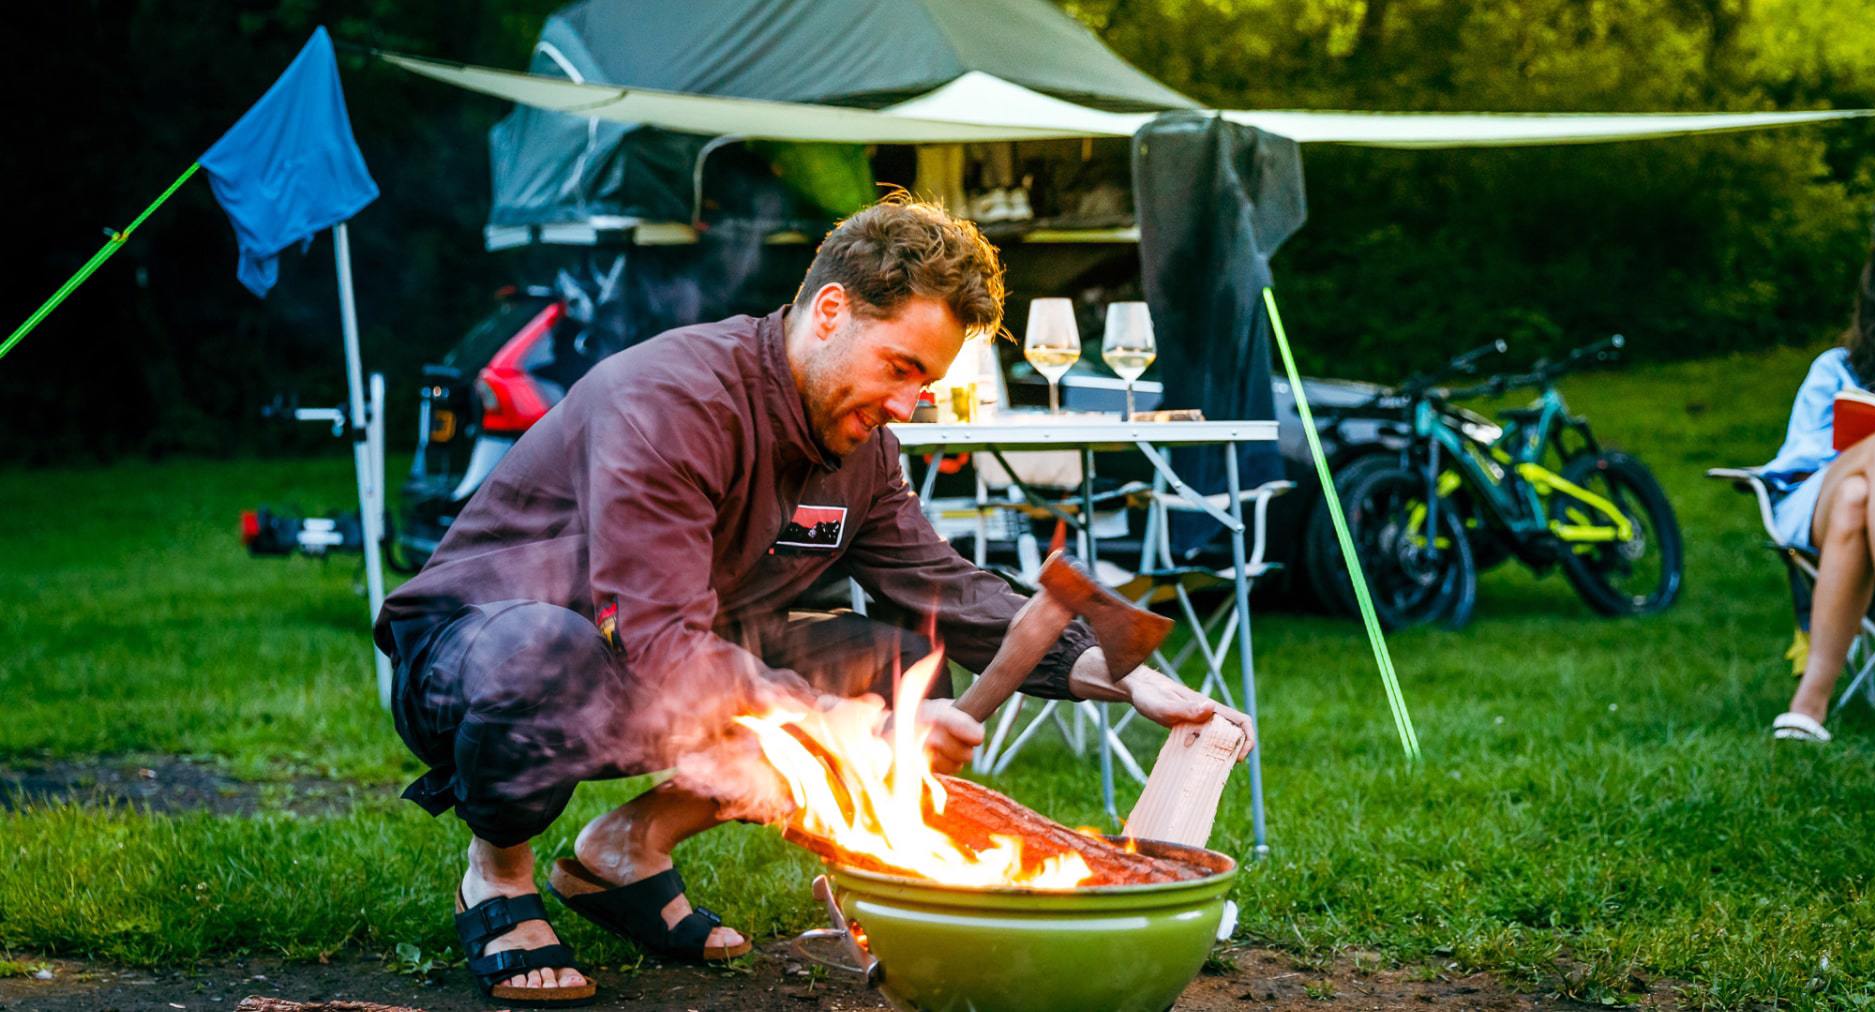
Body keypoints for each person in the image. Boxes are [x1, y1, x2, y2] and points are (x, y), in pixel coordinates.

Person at [373, 195, 1256, 1005]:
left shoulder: (862, 447)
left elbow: (940, 582)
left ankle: (627, 847)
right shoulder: (671, 401)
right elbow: (658, 639)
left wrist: (1112, 672)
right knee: (549, 654)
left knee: (896, 662)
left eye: (927, 382)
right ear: (830, 311)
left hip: (668, 658)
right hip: (484, 654)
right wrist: (841, 725)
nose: (908, 404)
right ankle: (498, 874)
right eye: (900, 367)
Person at [1761, 220, 1875, 742]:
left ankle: (1809, 706)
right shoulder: (1838, 367)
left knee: (1859, 498)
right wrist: (1868, 451)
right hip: (1819, 502)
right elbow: (1798, 456)